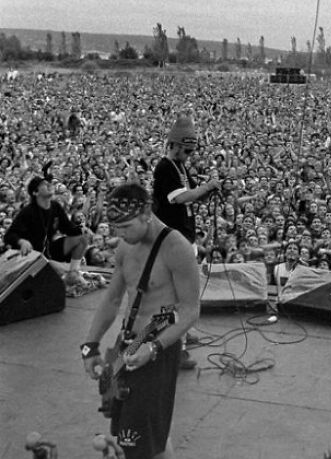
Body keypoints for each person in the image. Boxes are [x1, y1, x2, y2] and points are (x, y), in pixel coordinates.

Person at [81, 183, 200, 459]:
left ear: (147, 213)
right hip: (128, 345)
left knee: (136, 439)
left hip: (157, 345)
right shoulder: (126, 247)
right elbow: (111, 300)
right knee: (144, 434)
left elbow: (191, 311)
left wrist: (154, 348)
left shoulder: (177, 249)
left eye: (125, 227)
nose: (119, 235)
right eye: (116, 228)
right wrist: (90, 346)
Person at [152, 115, 220, 368]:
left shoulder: (180, 168)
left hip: (185, 235)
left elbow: (192, 196)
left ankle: (178, 335)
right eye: (187, 150)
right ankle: (175, 350)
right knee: (177, 294)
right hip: (172, 238)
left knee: (183, 293)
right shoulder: (165, 168)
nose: (189, 155)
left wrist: (209, 190)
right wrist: (206, 187)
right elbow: (179, 199)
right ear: (175, 145)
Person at [3, 175, 89, 288]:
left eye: (48, 183)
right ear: (35, 192)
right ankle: (66, 273)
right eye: (44, 184)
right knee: (58, 271)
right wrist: (21, 241)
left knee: (82, 240)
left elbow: (67, 228)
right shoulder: (27, 211)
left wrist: (80, 228)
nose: (49, 185)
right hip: (32, 256)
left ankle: (73, 273)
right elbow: (9, 236)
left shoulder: (55, 206)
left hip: (50, 250)